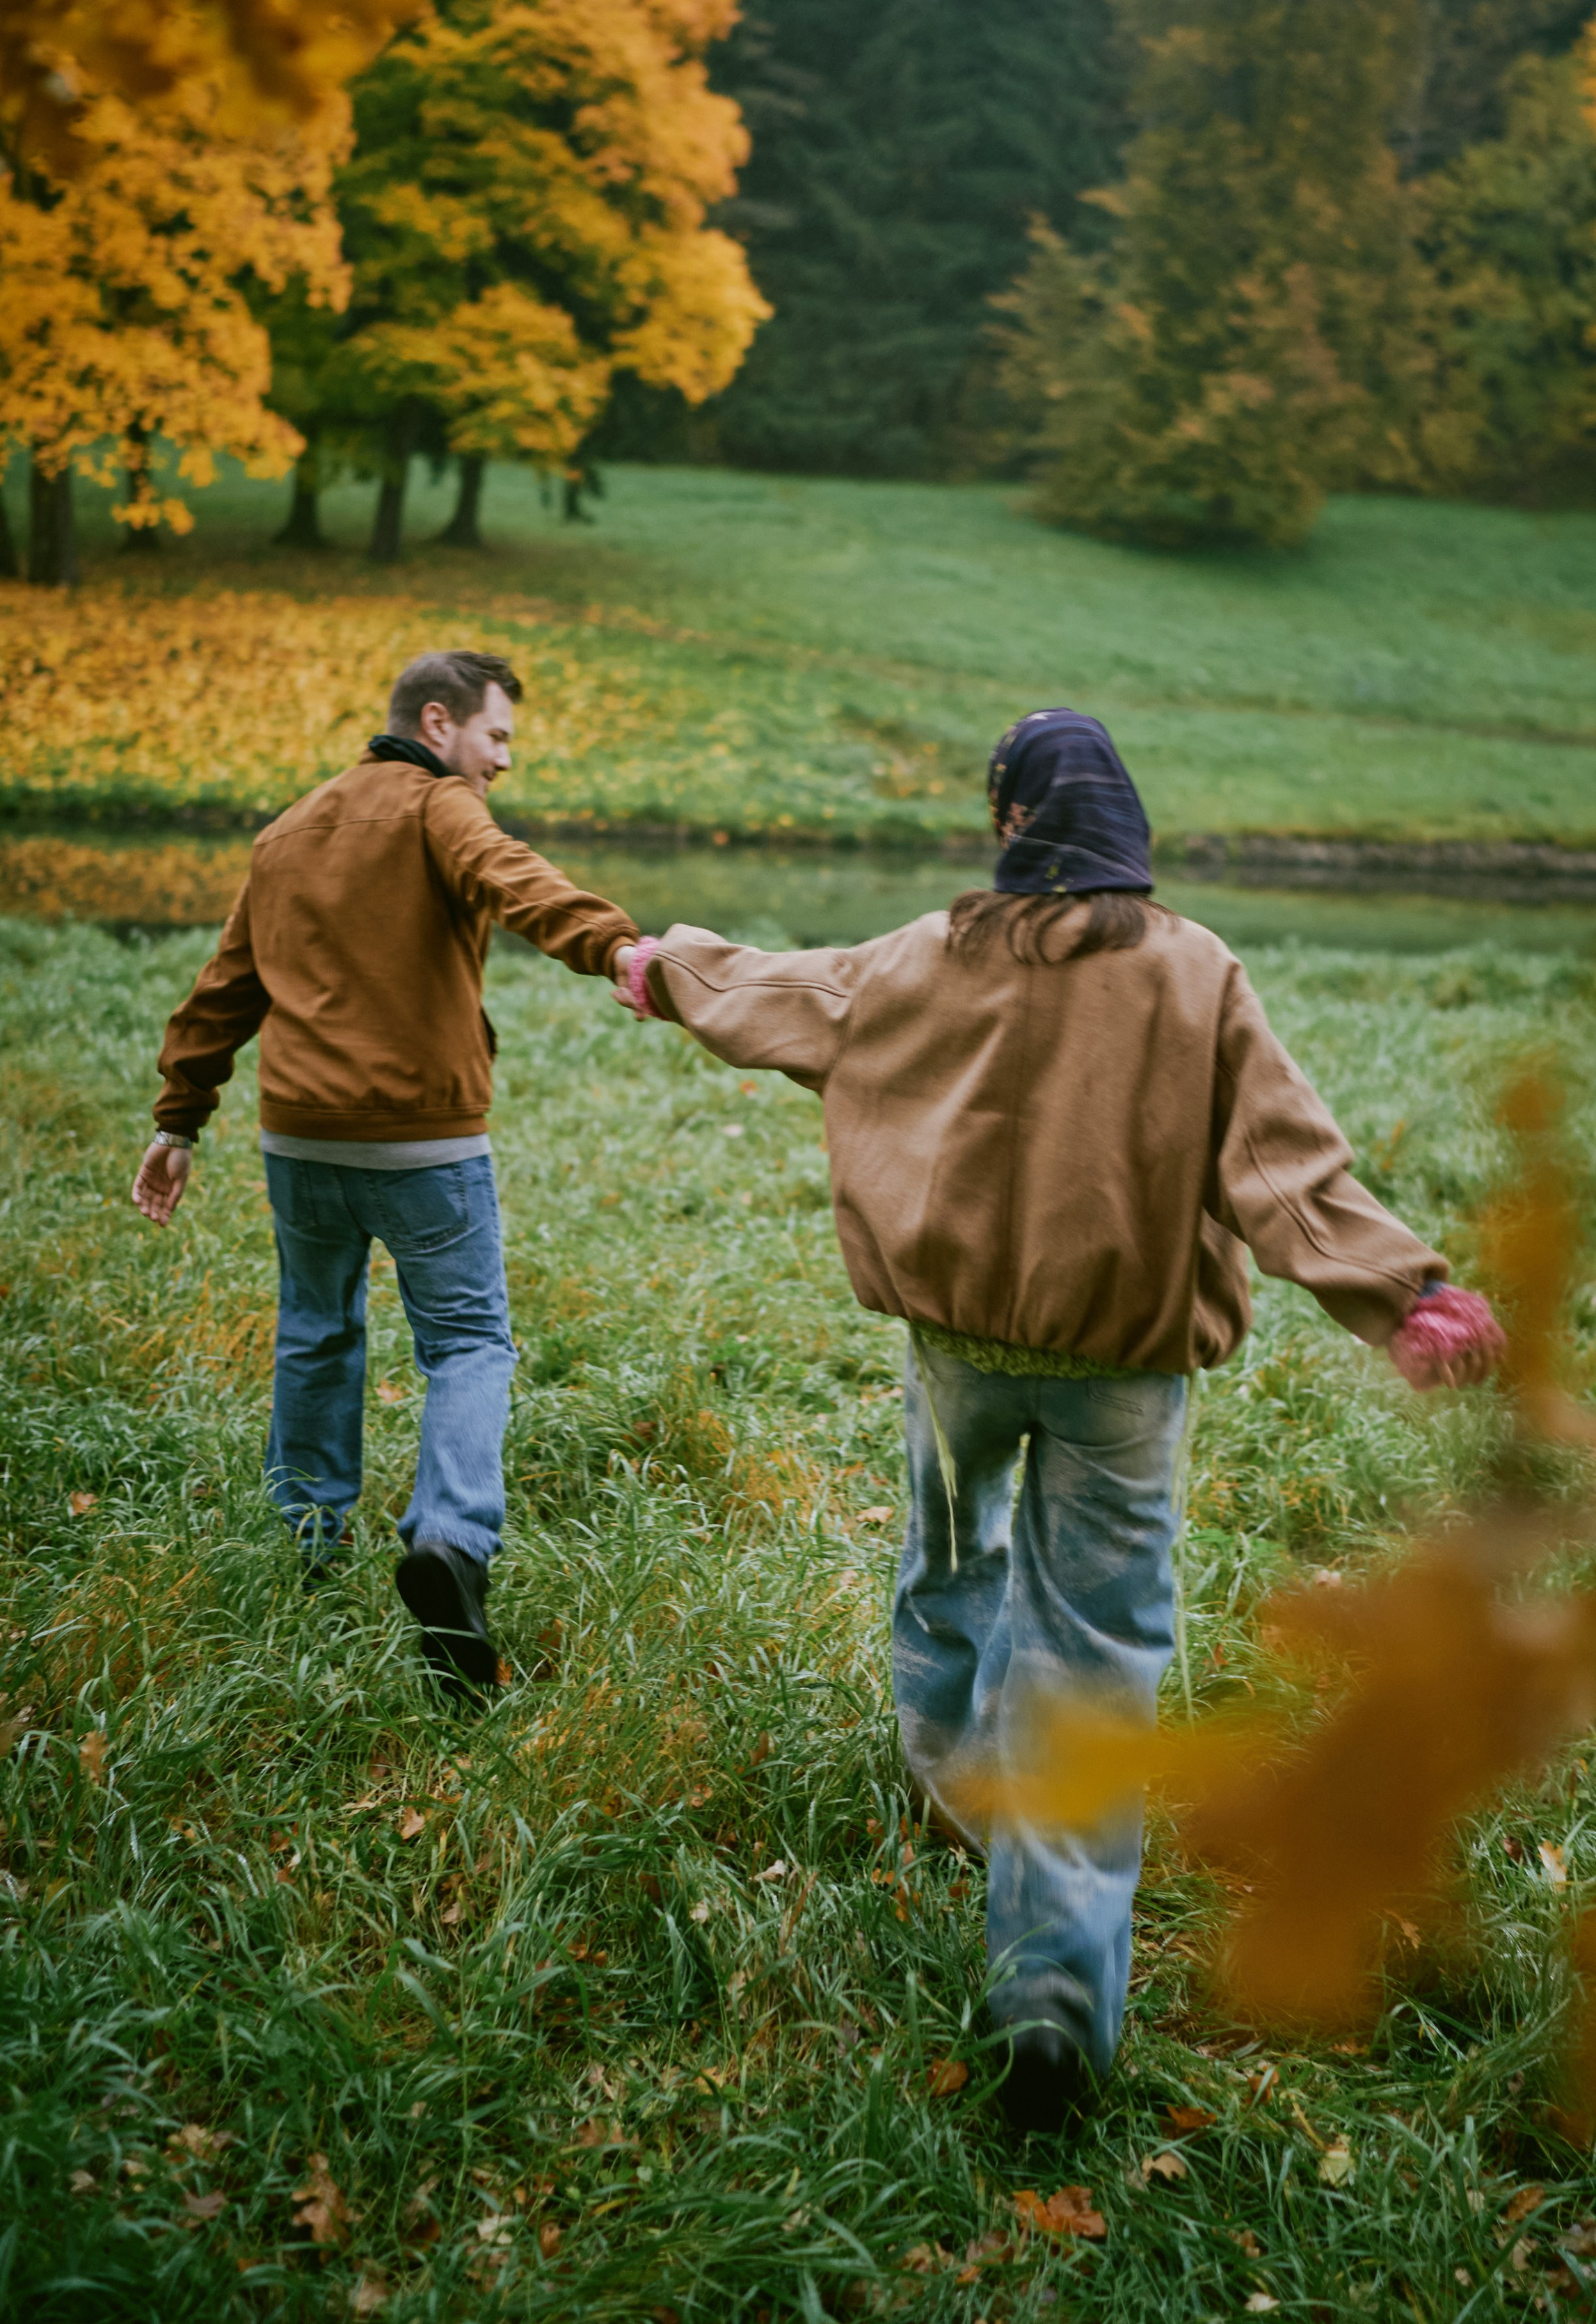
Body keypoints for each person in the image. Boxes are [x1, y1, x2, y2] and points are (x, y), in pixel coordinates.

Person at [612, 707, 1501, 2131]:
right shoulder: (1190, 972)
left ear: (1012, 820)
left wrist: (664, 970)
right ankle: (1052, 1991)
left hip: (959, 1353)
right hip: (1122, 1380)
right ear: (1125, 827)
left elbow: (784, 993)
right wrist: (1404, 1297)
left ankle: (959, 1800)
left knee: (950, 1568)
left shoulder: (926, 954)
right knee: (1092, 1656)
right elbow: (1282, 1163)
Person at [131, 649, 641, 1701]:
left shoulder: (288, 830)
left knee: (318, 1326)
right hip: (423, 1141)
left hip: (300, 1140)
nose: (503, 760)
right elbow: (517, 879)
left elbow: (226, 984)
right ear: (440, 720)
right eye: (496, 736)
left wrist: (178, 1120)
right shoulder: (439, 807)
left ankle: (311, 1540)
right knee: (467, 1340)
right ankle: (450, 1541)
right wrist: (620, 950)